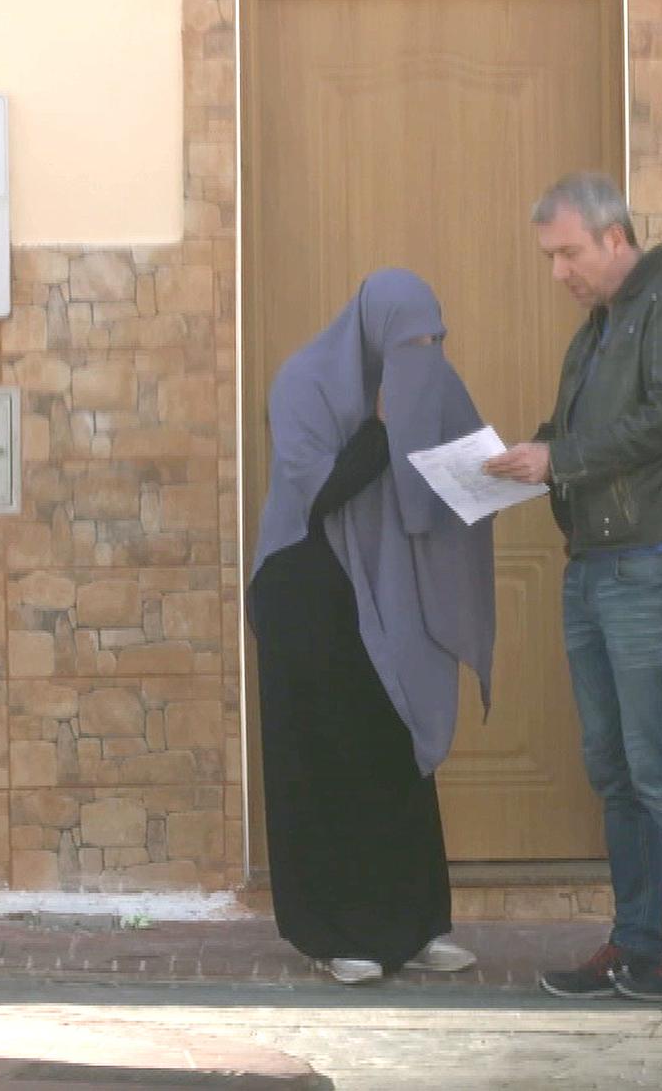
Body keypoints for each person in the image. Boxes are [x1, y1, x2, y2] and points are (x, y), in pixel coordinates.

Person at [484, 172, 662, 1003]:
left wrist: (562, 458)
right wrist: (530, 454)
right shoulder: (596, 331)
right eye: (549, 257)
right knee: (617, 771)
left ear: (614, 238)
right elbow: (583, 432)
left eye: (567, 254)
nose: (558, 272)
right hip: (593, 567)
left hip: (654, 563)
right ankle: (636, 946)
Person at [250, 269, 495, 985]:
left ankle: (415, 926)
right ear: (373, 336)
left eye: (433, 342)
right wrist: (380, 428)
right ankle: (332, 932)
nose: (423, 355)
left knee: (397, 746)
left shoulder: (430, 385)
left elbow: (460, 473)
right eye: (409, 342)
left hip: (388, 588)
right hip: (306, 587)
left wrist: (508, 470)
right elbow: (314, 490)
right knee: (326, 760)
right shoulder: (304, 384)